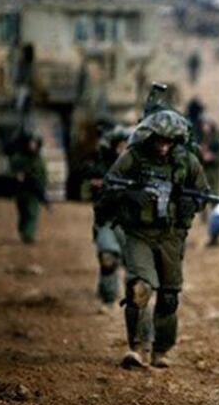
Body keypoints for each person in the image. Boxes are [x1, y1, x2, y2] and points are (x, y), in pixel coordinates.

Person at [95, 107, 208, 369]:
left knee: (168, 297)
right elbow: (110, 185)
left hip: (171, 236)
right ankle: (137, 348)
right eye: (159, 141)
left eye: (169, 142)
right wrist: (130, 196)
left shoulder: (187, 162)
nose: (163, 147)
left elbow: (203, 193)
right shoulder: (134, 157)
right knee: (140, 289)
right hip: (139, 233)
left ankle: (161, 350)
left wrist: (190, 204)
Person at [86, 125, 133, 311]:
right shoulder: (103, 165)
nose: (123, 149)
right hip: (108, 221)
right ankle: (108, 298)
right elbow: (89, 179)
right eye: (120, 145)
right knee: (107, 257)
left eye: (126, 145)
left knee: (135, 267)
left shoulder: (141, 166)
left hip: (133, 225)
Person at [10, 130, 48, 244]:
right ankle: (23, 231)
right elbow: (13, 171)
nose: (32, 145)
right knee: (23, 212)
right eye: (31, 143)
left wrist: (41, 187)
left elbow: (42, 175)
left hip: (33, 192)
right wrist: (17, 176)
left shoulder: (39, 160)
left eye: (34, 143)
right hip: (21, 190)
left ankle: (29, 234)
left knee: (32, 213)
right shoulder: (19, 158)